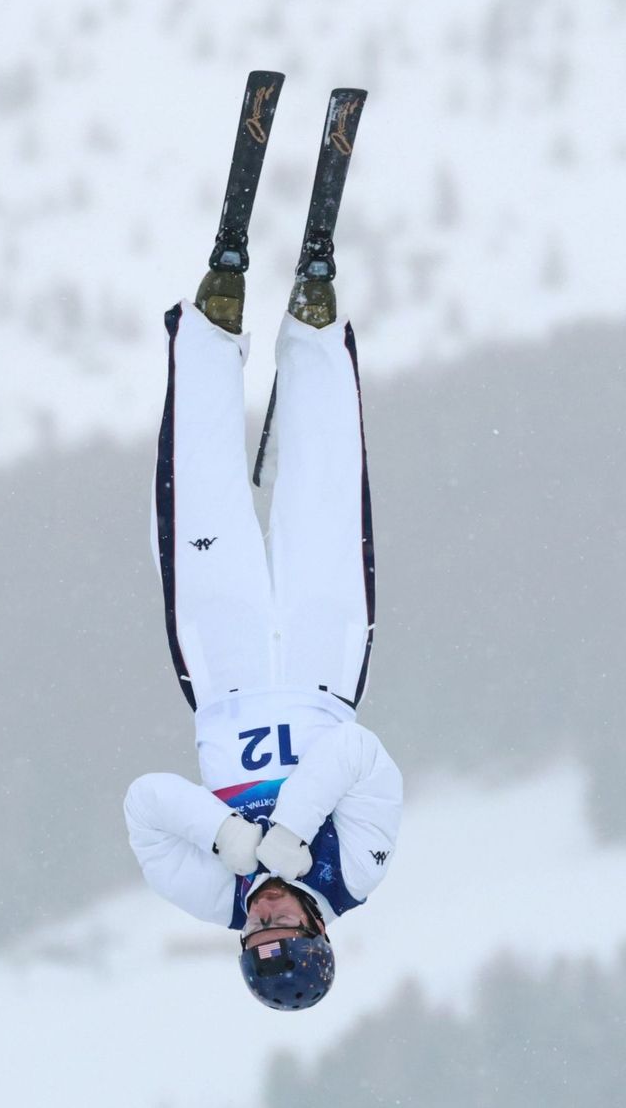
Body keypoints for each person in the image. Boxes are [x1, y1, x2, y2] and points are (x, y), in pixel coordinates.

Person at [123, 270, 403, 1012]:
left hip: (224, 670)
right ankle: (315, 335)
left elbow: (145, 807)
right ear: (316, 927)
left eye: (253, 932)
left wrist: (227, 838)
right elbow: (361, 758)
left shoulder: (217, 892)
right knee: (326, 491)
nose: (261, 914)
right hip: (322, 664)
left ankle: (209, 337)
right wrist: (293, 828)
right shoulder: (356, 871)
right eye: (280, 924)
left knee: (201, 494)